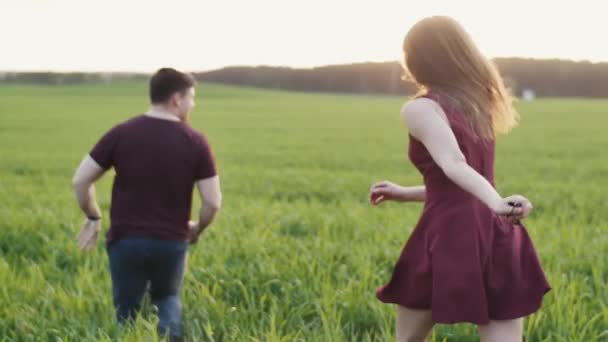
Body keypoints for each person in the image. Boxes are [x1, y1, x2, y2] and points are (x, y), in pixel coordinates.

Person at [368, 16, 550, 342]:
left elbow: (454, 164)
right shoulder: (479, 104)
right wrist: (403, 193)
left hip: (448, 236)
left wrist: (497, 201)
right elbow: (453, 187)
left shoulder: (420, 109)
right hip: (494, 232)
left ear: (416, 58)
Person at [72, 67, 221, 341]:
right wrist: (197, 228)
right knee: (167, 299)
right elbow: (212, 201)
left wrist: (93, 216)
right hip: (171, 242)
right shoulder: (196, 141)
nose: (193, 104)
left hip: (125, 242)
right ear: (176, 99)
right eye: (191, 98)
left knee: (126, 312)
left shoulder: (121, 133)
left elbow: (81, 181)